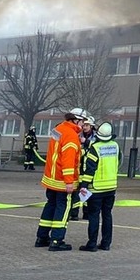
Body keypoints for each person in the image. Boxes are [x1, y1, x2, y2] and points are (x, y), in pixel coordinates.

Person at [35, 107, 85, 251]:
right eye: (82, 122)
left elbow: (54, 153)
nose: (82, 125)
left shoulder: (58, 129)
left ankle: (42, 237)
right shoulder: (71, 135)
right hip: (63, 181)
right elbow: (68, 160)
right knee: (63, 209)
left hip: (51, 178)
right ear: (76, 120)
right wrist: (69, 182)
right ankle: (57, 240)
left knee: (50, 206)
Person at [78, 122, 120, 252]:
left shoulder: (95, 148)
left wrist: (83, 185)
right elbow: (117, 163)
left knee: (94, 216)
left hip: (96, 188)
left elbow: (89, 169)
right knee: (107, 215)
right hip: (111, 187)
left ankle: (92, 244)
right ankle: (106, 243)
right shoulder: (116, 146)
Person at [71, 114, 97, 221]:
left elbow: (96, 146)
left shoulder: (95, 137)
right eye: (84, 125)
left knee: (87, 193)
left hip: (90, 170)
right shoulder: (78, 135)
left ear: (91, 127)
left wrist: (85, 142)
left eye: (87, 125)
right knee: (76, 193)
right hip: (79, 169)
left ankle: (86, 213)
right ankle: (74, 214)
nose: (84, 127)